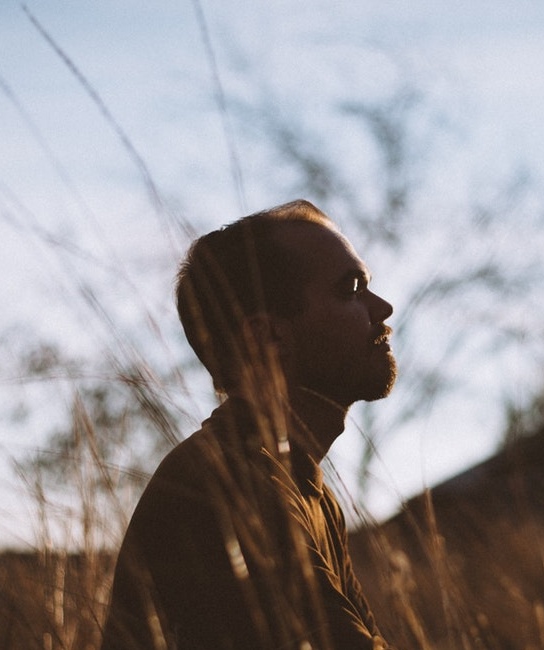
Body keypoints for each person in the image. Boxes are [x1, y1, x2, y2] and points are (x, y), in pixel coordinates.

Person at [101, 200, 397, 650]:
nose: (383, 308)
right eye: (351, 288)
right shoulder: (231, 485)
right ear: (268, 337)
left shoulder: (309, 491)